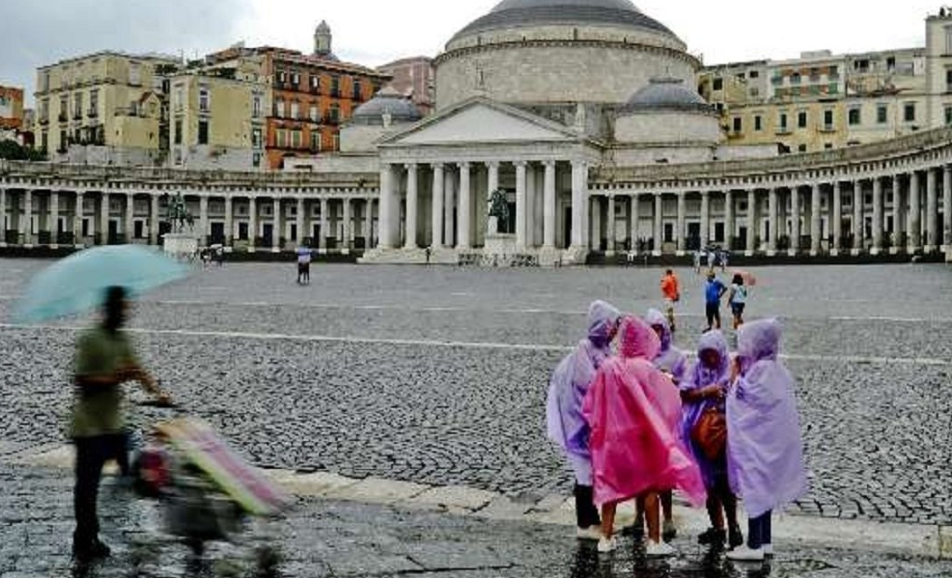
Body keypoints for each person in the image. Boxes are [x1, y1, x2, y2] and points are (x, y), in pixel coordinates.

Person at [583, 316, 705, 556]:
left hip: (612, 439)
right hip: (641, 438)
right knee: (649, 487)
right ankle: (654, 541)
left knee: (610, 487)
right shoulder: (646, 368)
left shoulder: (608, 366)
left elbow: (592, 402)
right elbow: (664, 402)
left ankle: (605, 538)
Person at [72, 286, 170, 562]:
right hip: (89, 426)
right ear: (111, 309)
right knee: (87, 486)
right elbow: (82, 380)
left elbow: (136, 369)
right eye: (123, 308)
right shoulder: (90, 338)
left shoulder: (122, 338)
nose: (127, 313)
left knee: (133, 471)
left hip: (114, 424)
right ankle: (85, 537)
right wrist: (115, 378)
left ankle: (104, 527)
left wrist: (158, 393)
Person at [725, 319, 808, 562]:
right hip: (772, 443)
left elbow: (741, 396)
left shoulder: (758, 371)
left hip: (756, 445)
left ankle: (754, 544)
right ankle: (765, 540)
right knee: (766, 491)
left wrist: (735, 375)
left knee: (755, 490)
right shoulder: (778, 370)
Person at [546, 301, 621, 542]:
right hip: (580, 423)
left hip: (595, 422)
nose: (615, 330)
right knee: (584, 473)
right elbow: (587, 381)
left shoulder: (605, 350)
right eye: (612, 325)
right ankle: (584, 523)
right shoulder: (584, 348)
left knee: (592, 471)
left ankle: (593, 518)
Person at [680, 331, 743, 550]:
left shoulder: (730, 367)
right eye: (706, 354)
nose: (710, 358)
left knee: (725, 483)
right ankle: (718, 527)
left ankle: (733, 526)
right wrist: (706, 392)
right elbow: (684, 393)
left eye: (714, 353)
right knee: (708, 484)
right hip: (700, 433)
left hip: (724, 434)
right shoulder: (697, 368)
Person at [640, 308, 689, 541]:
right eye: (652, 329)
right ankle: (638, 517)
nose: (656, 333)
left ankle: (668, 517)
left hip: (666, 421)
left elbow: (687, 385)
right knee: (640, 472)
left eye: (659, 329)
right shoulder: (640, 354)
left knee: (664, 473)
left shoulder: (675, 356)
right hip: (642, 420)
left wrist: (672, 380)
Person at [660, 270, 680, 334]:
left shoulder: (667, 279)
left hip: (668, 296)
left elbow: (663, 287)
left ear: (667, 273)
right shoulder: (674, 279)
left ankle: (671, 324)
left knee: (669, 311)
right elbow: (676, 287)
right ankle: (672, 323)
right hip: (673, 296)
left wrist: (662, 282)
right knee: (671, 310)